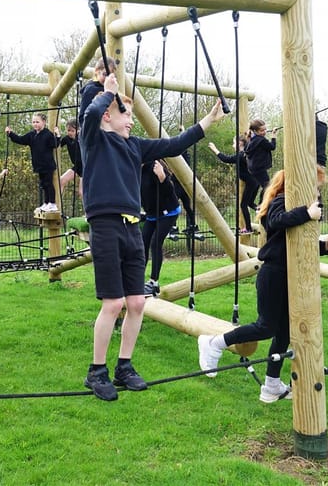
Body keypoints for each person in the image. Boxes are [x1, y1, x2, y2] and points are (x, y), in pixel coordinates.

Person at [81, 73, 226, 401]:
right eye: (126, 114)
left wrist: (208, 120)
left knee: (136, 302)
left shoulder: (135, 147)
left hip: (133, 227)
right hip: (105, 227)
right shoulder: (94, 139)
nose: (131, 121)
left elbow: (174, 144)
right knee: (113, 303)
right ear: (109, 115)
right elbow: (90, 114)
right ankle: (97, 371)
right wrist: (107, 93)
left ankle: (124, 366)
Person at [198, 166, 328, 401]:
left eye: (318, 189)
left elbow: (297, 243)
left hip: (290, 274)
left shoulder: (299, 207)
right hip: (274, 273)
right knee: (265, 326)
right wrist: (307, 213)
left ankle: (272, 385)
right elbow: (276, 222)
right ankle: (215, 342)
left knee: (285, 332)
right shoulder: (282, 201)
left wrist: (327, 246)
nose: (317, 193)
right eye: (316, 187)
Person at [140, 160, 181, 297]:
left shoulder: (154, 166)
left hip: (168, 212)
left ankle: (154, 282)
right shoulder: (132, 170)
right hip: (152, 214)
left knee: (155, 243)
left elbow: (169, 191)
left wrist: (162, 178)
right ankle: (138, 279)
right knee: (142, 244)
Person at [6, 113, 59, 212]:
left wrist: (58, 135)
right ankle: (46, 202)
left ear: (44, 122)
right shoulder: (32, 135)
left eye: (37, 122)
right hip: (38, 165)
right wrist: (10, 134)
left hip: (47, 164)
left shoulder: (47, 134)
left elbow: (55, 144)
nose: (35, 124)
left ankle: (52, 203)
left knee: (48, 183)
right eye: (33, 122)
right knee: (43, 184)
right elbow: (21, 140)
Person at [209, 134, 256, 234]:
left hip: (252, 182)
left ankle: (248, 228)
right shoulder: (246, 153)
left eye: (234, 143)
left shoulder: (241, 155)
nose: (232, 145)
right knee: (250, 203)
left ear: (240, 143)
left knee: (243, 205)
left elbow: (226, 159)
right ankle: (260, 210)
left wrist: (215, 149)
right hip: (255, 181)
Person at [77, 56, 116, 136]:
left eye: (110, 76)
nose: (107, 79)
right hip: (95, 132)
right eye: (105, 74)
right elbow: (83, 116)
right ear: (97, 72)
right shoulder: (91, 90)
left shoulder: (113, 91)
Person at [245, 118, 277, 209]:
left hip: (253, 168)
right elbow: (272, 147)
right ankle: (261, 204)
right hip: (259, 168)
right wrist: (273, 136)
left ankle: (251, 202)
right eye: (261, 130)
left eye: (265, 129)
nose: (264, 132)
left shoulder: (252, 139)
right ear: (255, 131)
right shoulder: (261, 140)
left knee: (258, 184)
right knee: (267, 186)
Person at [57, 118, 83, 198]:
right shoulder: (67, 139)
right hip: (77, 167)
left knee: (81, 192)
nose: (70, 133)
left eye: (72, 131)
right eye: (68, 130)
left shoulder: (81, 138)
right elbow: (58, 144)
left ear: (78, 130)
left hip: (85, 167)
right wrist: (57, 135)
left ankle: (88, 210)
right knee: (61, 180)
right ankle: (57, 206)